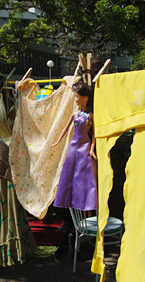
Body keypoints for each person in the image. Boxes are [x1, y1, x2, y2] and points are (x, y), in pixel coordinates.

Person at [51, 78, 98, 212]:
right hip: (73, 146)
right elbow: (65, 130)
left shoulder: (90, 116)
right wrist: (57, 141)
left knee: (85, 176)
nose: (75, 100)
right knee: (69, 173)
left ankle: (87, 206)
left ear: (85, 98)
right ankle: (68, 201)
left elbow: (95, 134)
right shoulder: (74, 114)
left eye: (77, 97)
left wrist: (93, 149)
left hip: (85, 146)